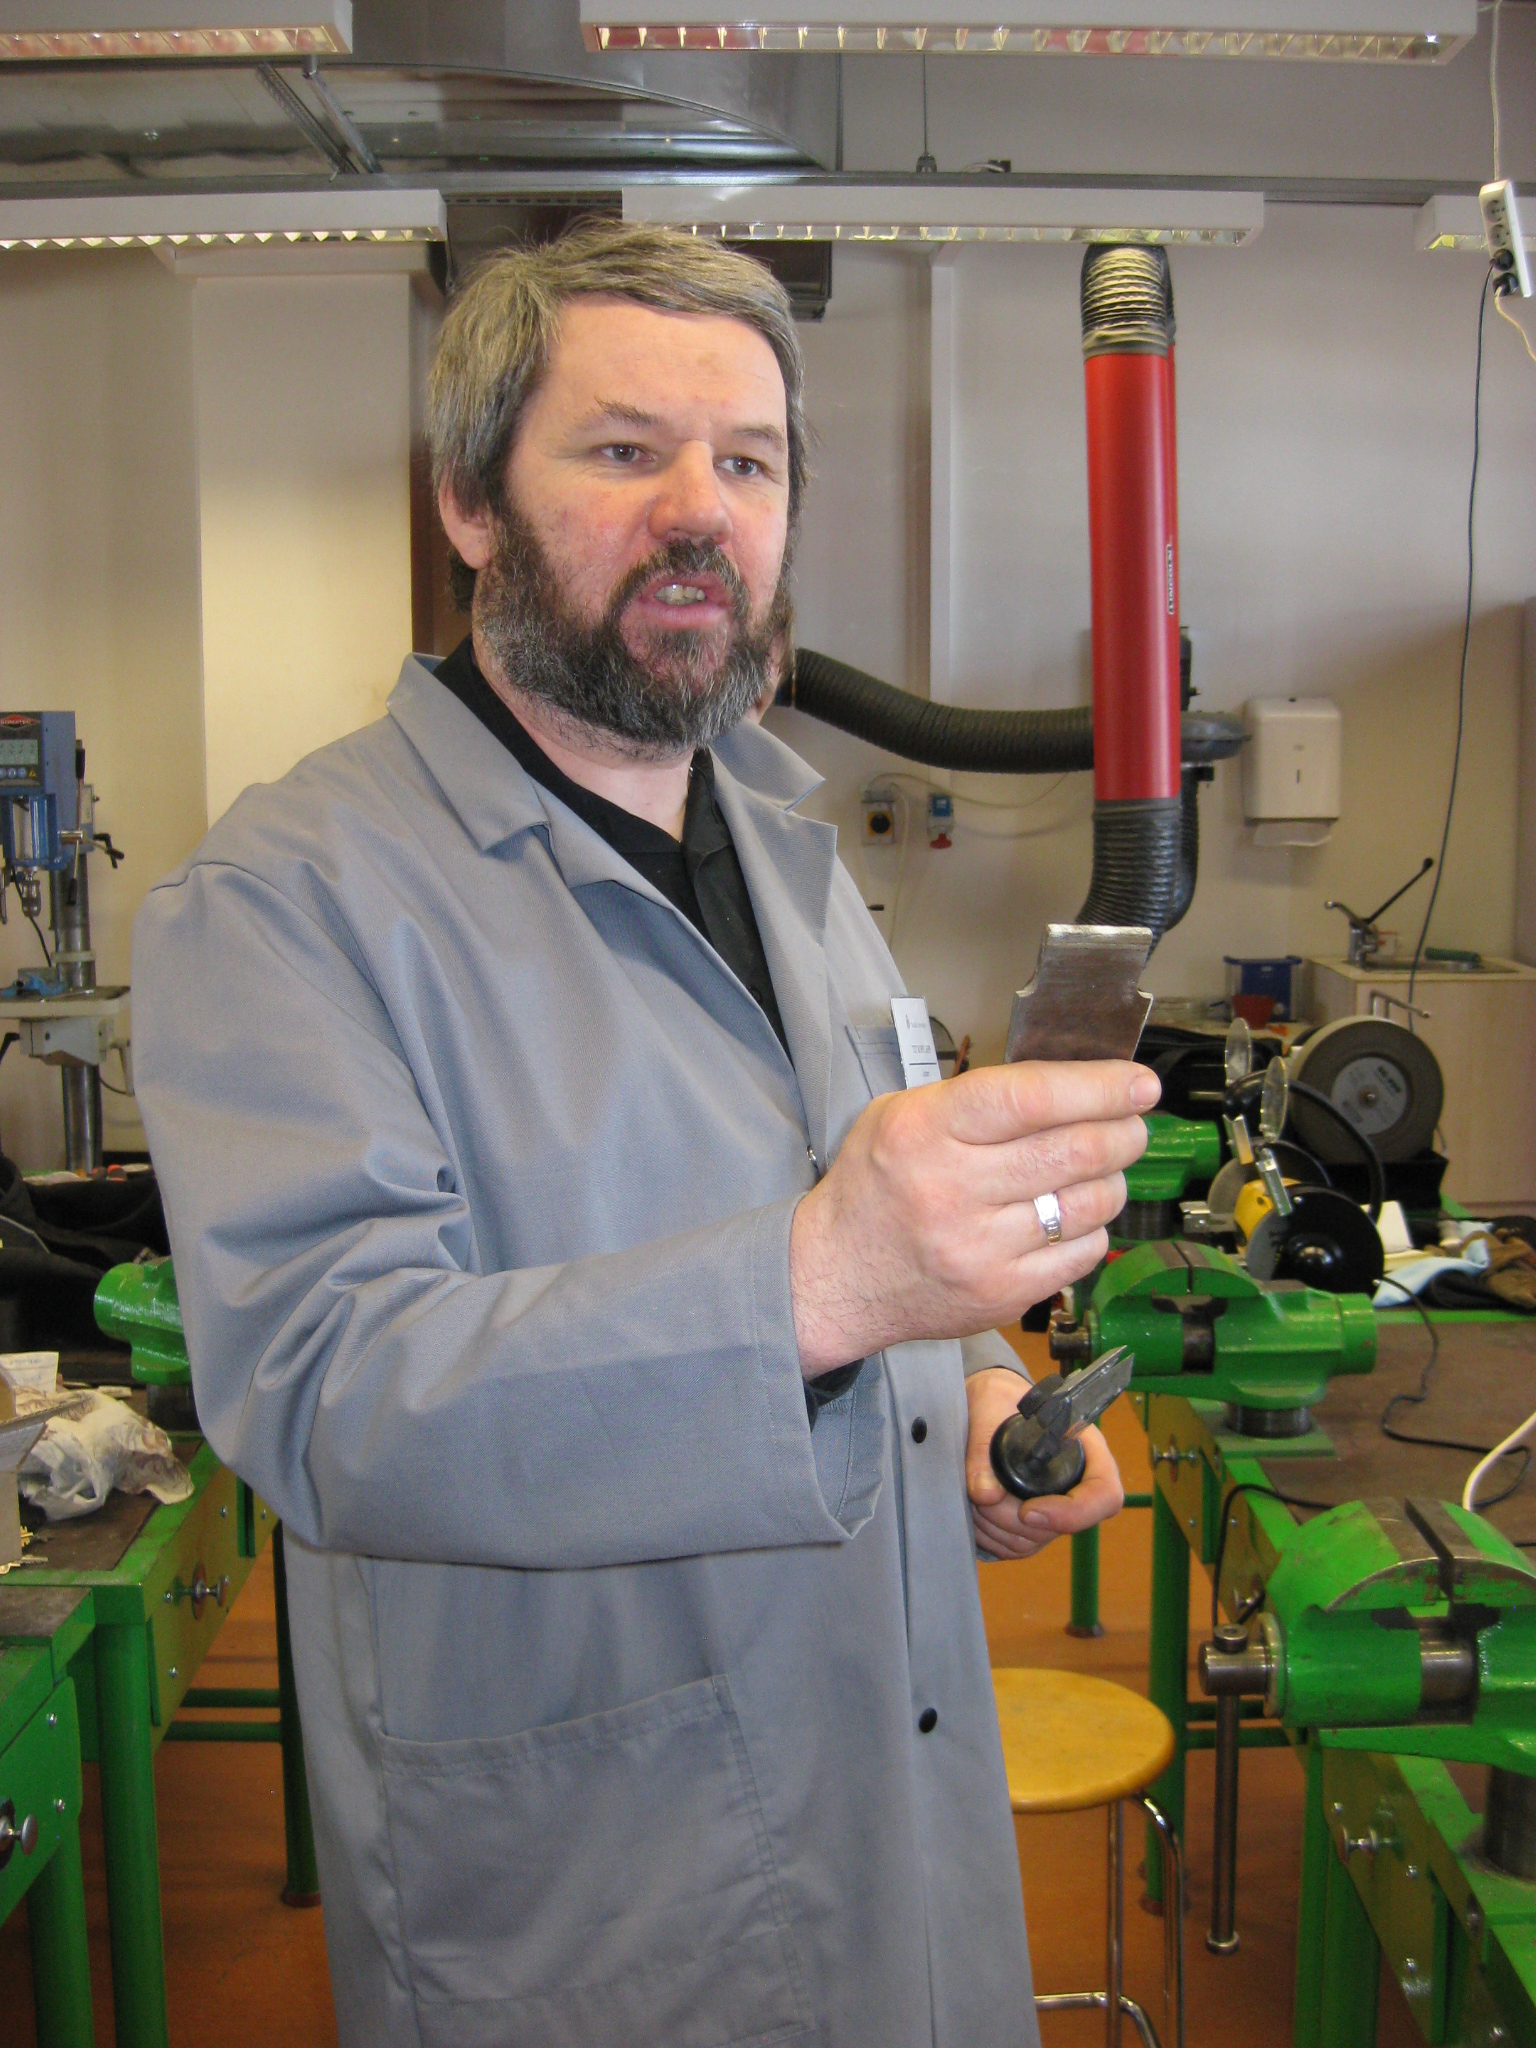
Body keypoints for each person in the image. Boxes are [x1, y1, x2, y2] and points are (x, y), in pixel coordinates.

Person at [132, 221, 1157, 2048]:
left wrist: (972, 1388)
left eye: (747, 463)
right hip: (601, 1866)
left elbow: (846, 1223)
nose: (701, 511)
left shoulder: (783, 846)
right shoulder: (287, 897)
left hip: (891, 1791)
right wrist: (826, 1285)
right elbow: (325, 1389)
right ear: (468, 504)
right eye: (624, 451)